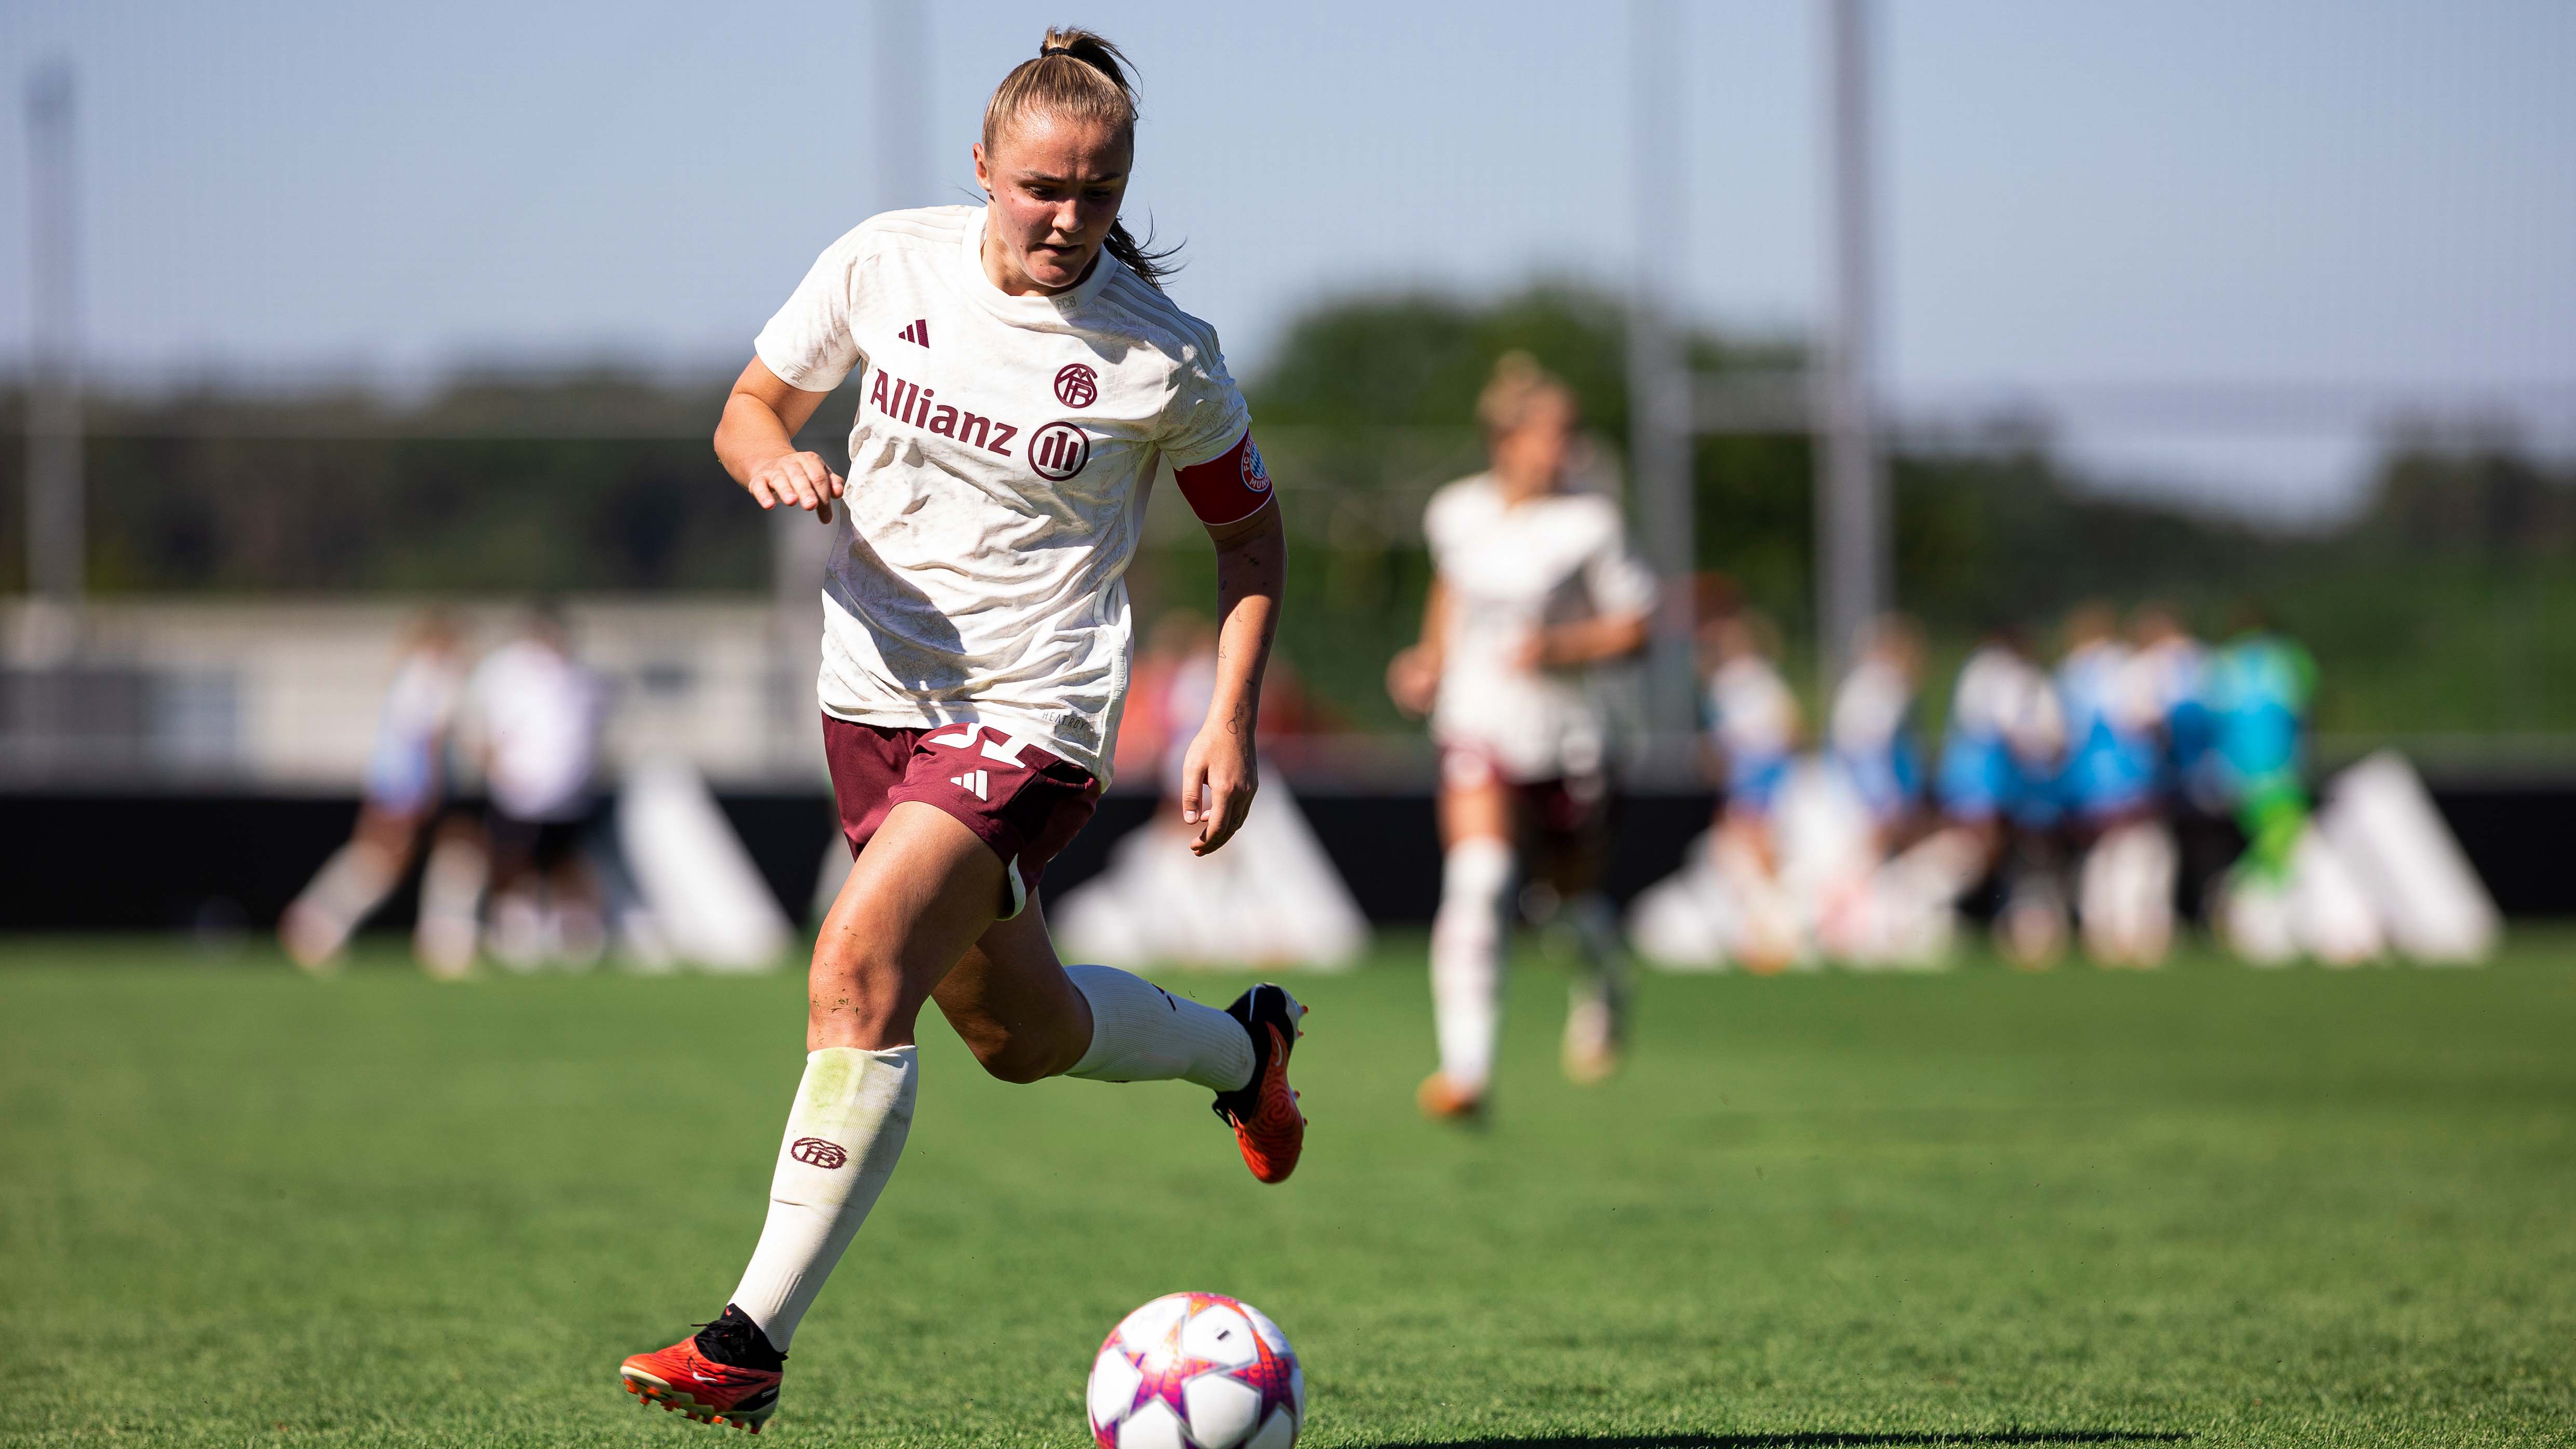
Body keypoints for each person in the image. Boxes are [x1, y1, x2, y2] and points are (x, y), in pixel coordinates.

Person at [616, 32, 1303, 1433]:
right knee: (1018, 1031)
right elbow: (750, 408)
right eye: (1042, 185)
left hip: (1035, 710)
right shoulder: (884, 261)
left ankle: (747, 1338)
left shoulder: (1164, 357)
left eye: (1098, 193)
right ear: (982, 167)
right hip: (873, 695)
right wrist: (776, 460)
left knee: (855, 966)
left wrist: (1228, 717)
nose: (1066, 216)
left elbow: (1252, 543)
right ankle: (1245, 1050)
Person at [1386, 353, 1656, 1117]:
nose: (1564, 448)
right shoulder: (1457, 512)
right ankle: (1465, 1070)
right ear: (1506, 438)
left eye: (1570, 433)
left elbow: (1638, 629)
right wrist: (1428, 661)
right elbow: (1451, 592)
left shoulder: (1591, 522)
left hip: (1571, 739)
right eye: (1551, 432)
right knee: (1479, 880)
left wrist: (1563, 648)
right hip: (1479, 726)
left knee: (1565, 908)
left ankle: (1604, 980)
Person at [278, 610, 468, 971]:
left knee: (436, 851)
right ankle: (316, 921)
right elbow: (427, 738)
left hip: (397, 782)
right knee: (383, 859)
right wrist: (430, 787)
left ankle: (444, 939)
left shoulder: (411, 675)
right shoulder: (431, 677)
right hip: (410, 786)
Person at [467, 603, 610, 970]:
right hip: (519, 793)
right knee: (515, 866)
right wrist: (496, 768)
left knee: (566, 866)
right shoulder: (505, 672)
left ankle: (576, 940)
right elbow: (483, 727)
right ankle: (517, 937)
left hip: (568, 797)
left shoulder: (578, 676)